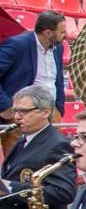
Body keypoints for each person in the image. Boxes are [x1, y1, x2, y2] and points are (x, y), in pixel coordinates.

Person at [0, 10, 67, 155]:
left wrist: (59, 108)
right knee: (17, 161)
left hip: (51, 111)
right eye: (62, 32)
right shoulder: (17, 45)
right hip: (22, 112)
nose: (65, 35)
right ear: (48, 33)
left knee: (49, 158)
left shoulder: (58, 48)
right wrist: (5, 105)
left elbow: (58, 79)